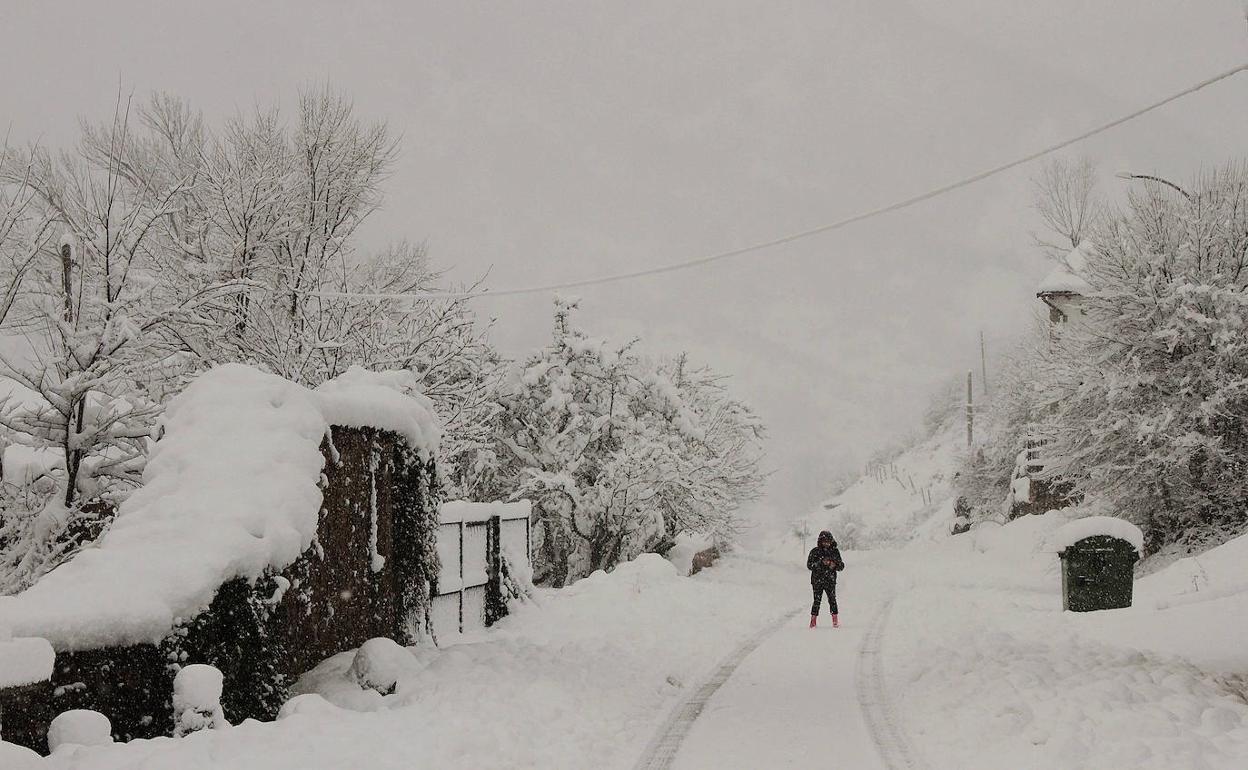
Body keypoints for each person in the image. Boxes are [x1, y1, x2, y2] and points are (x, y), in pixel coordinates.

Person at [807, 530, 844, 628]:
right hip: (817, 580)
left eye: (828, 541)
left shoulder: (835, 551)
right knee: (816, 600)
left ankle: (835, 621)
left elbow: (841, 566)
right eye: (824, 541)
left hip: (830, 580)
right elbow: (809, 565)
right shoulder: (815, 551)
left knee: (832, 599)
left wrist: (834, 565)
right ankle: (813, 621)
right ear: (820, 541)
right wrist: (821, 563)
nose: (826, 543)